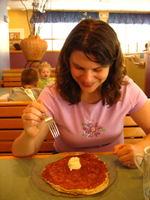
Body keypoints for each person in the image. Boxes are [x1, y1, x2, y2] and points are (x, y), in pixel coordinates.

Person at [12, 19, 150, 169]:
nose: (88, 79)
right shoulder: (52, 94)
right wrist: (29, 135)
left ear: (112, 64)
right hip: (65, 168)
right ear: (67, 61)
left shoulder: (126, 88)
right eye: (79, 67)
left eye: (97, 69)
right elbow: (22, 155)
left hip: (114, 166)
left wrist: (141, 148)